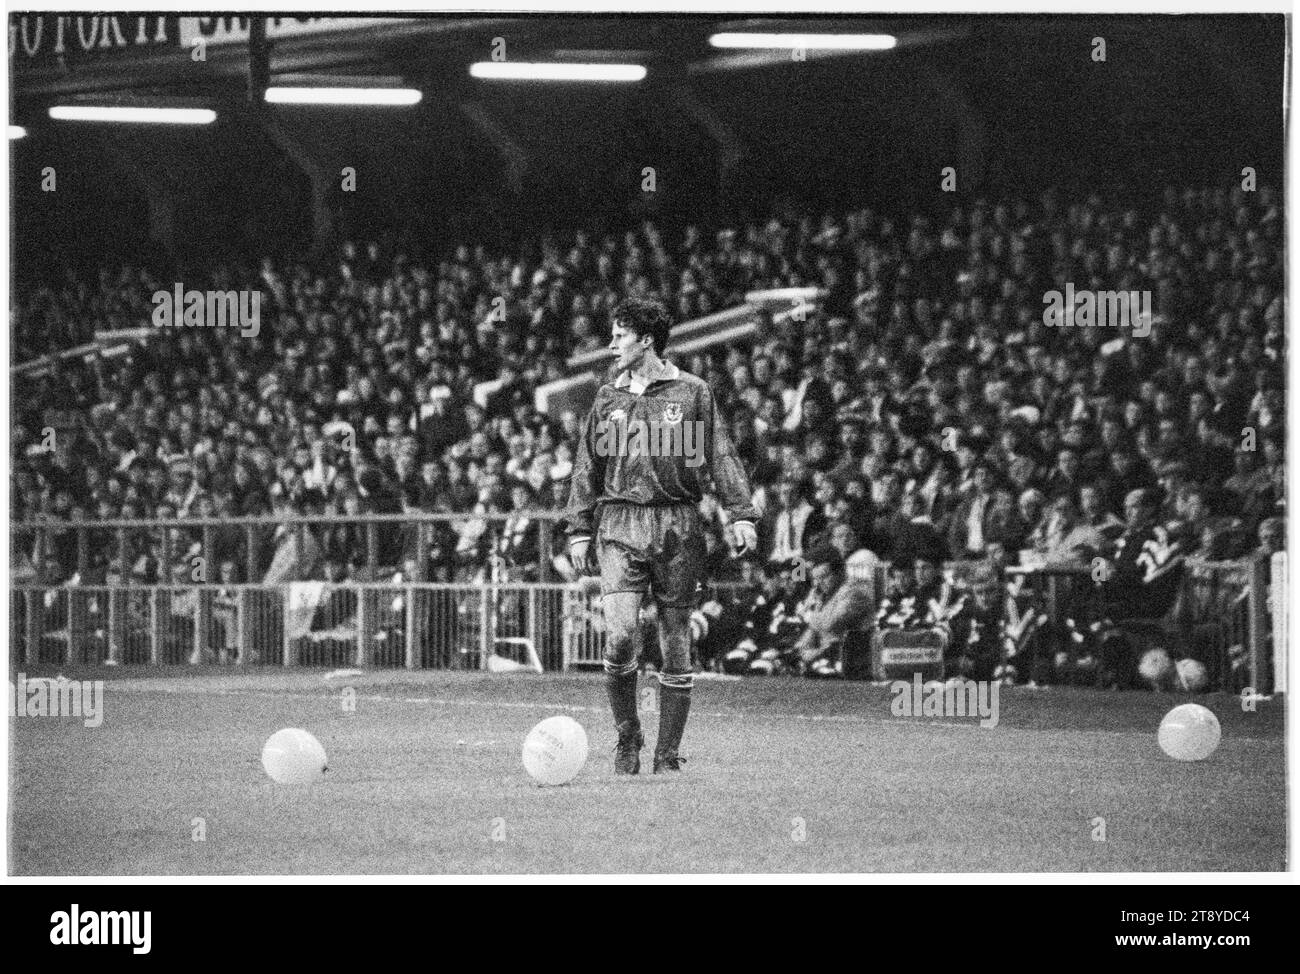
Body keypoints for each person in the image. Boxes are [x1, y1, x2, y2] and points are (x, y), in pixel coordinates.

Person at [564, 297, 759, 775]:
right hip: (619, 524)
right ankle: (627, 735)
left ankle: (667, 753)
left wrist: (741, 513)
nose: (611, 345)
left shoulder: (693, 393)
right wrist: (578, 528)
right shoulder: (607, 398)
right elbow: (586, 467)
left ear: (646, 339)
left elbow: (721, 454)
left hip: (678, 524)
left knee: (675, 643)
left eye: (619, 336)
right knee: (620, 636)